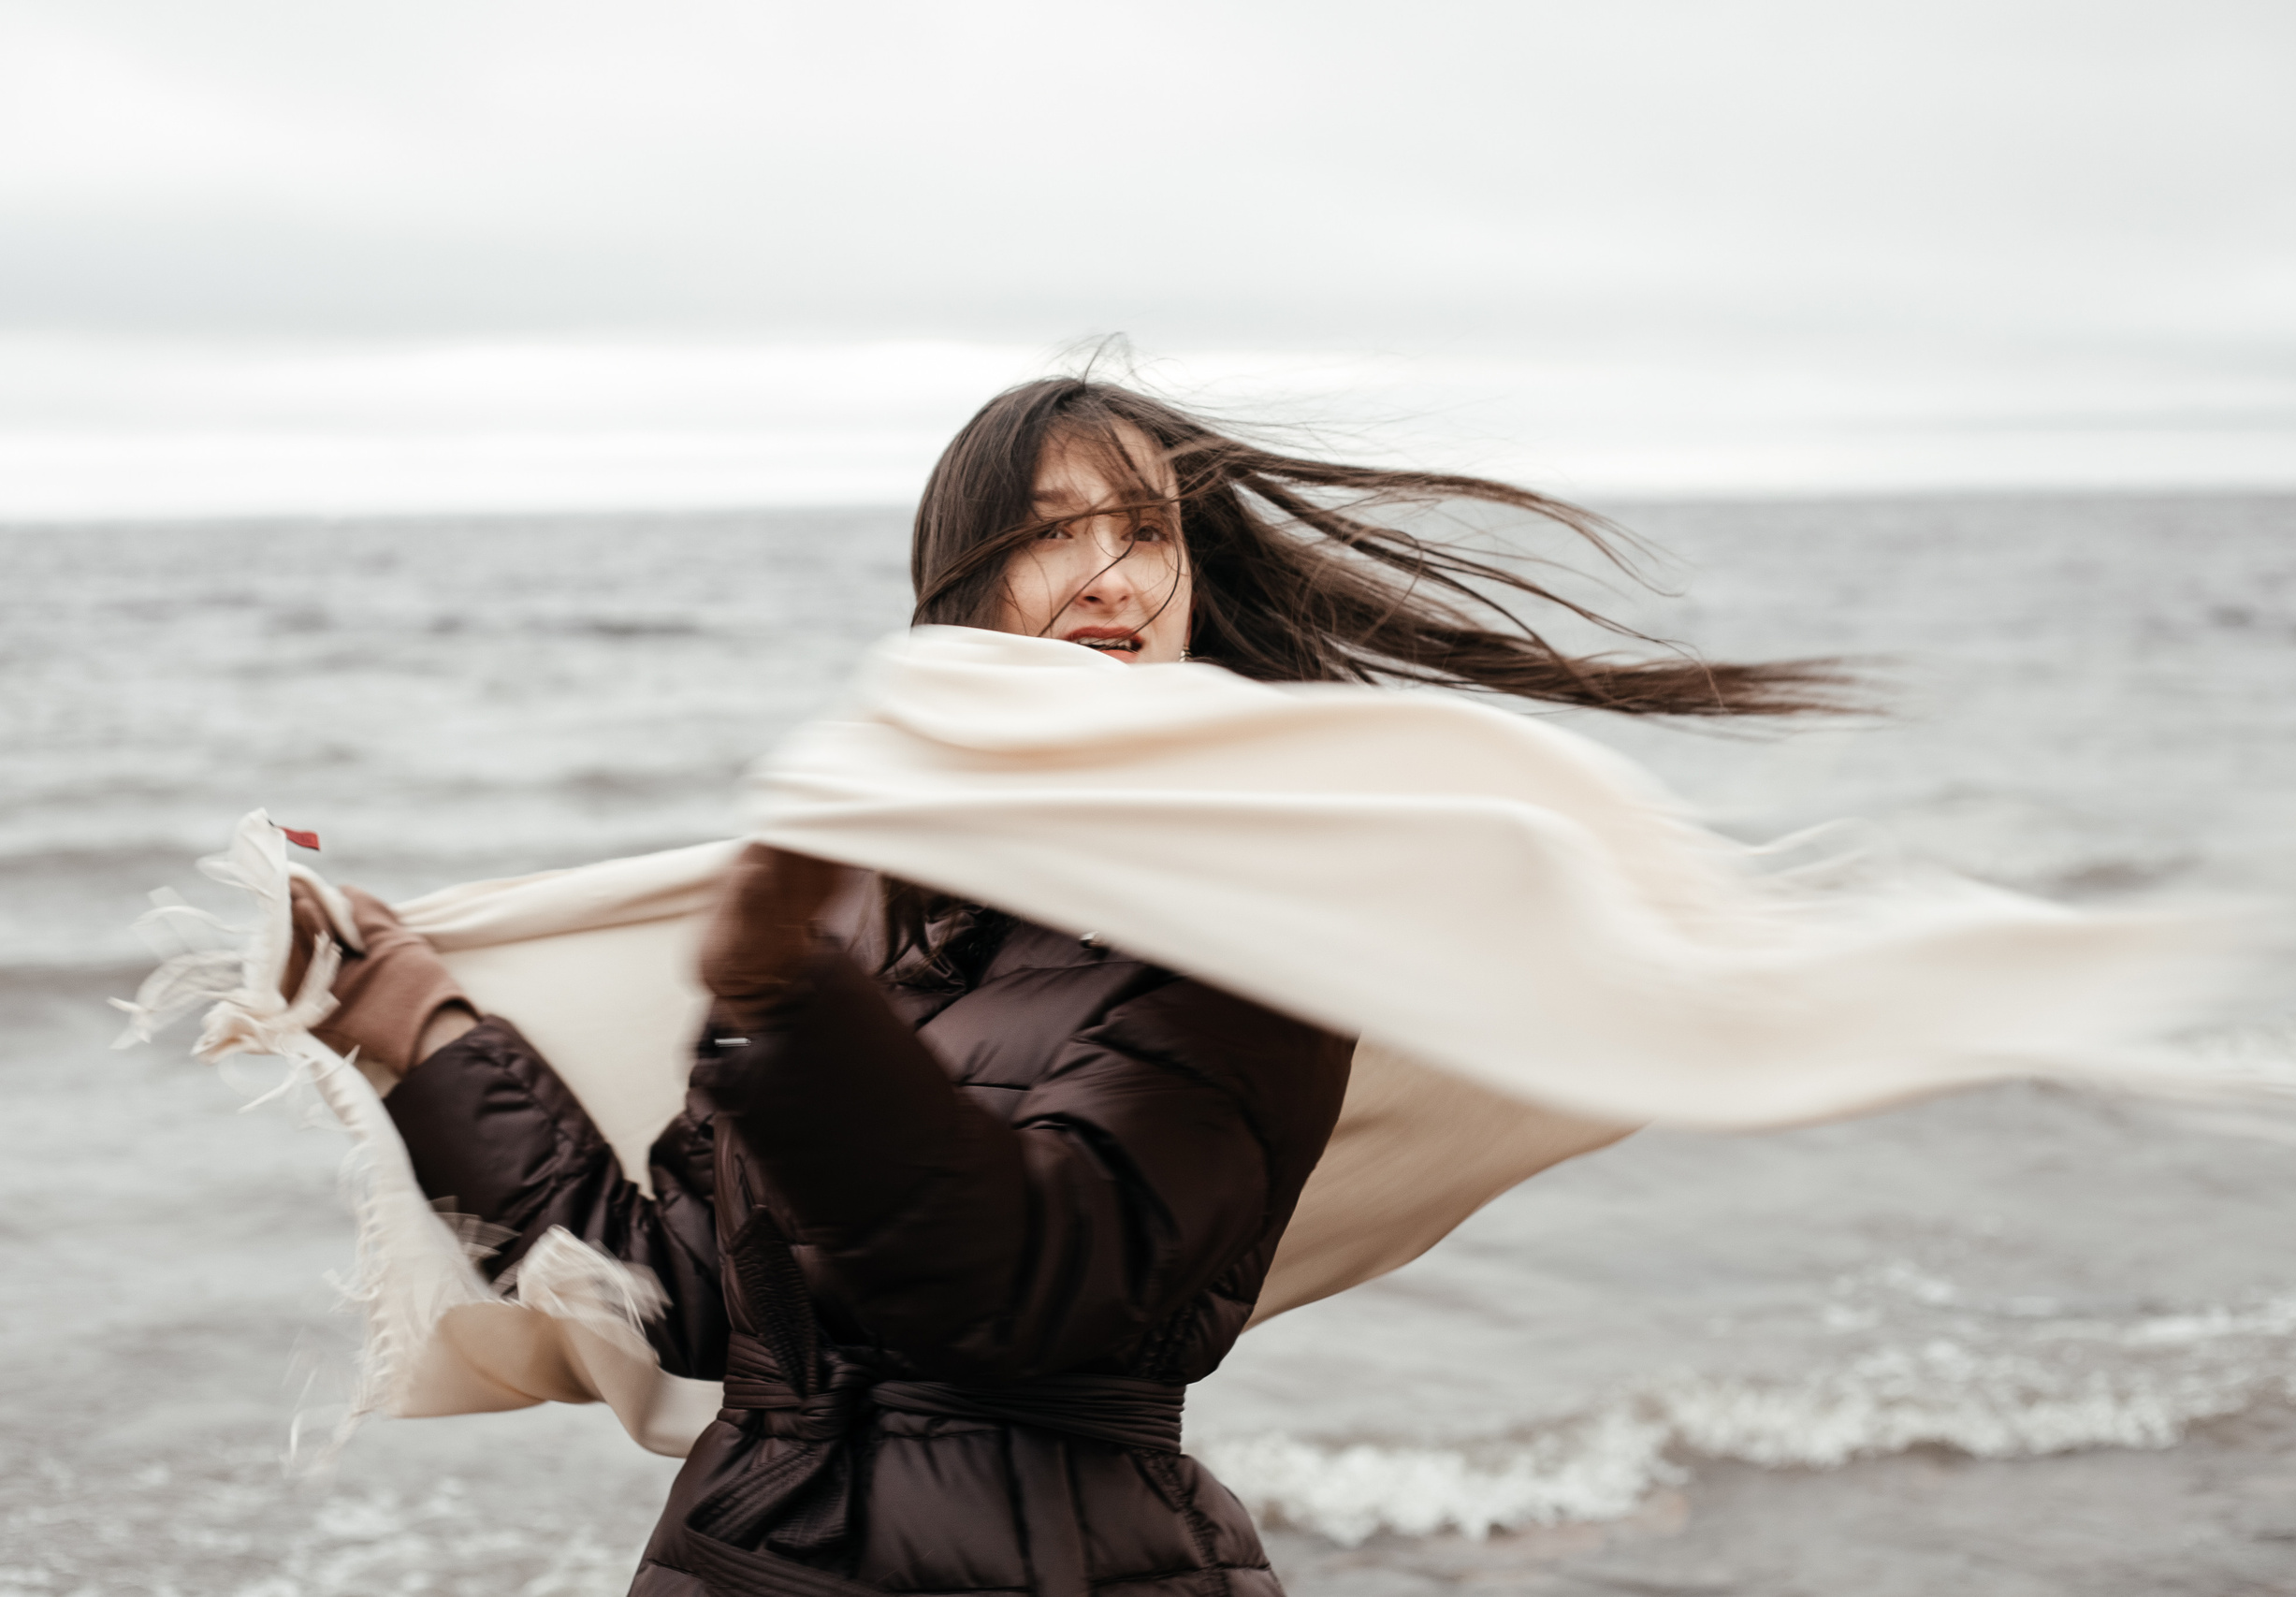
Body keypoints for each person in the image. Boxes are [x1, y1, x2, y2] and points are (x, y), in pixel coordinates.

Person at [288, 378, 1838, 1596]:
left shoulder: (1254, 913)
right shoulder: (852, 903)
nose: (1109, 577)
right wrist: (423, 1028)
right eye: (1049, 533)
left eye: (1146, 532)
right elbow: (679, 1296)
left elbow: (1045, 1292)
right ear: (954, 587)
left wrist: (793, 1010)